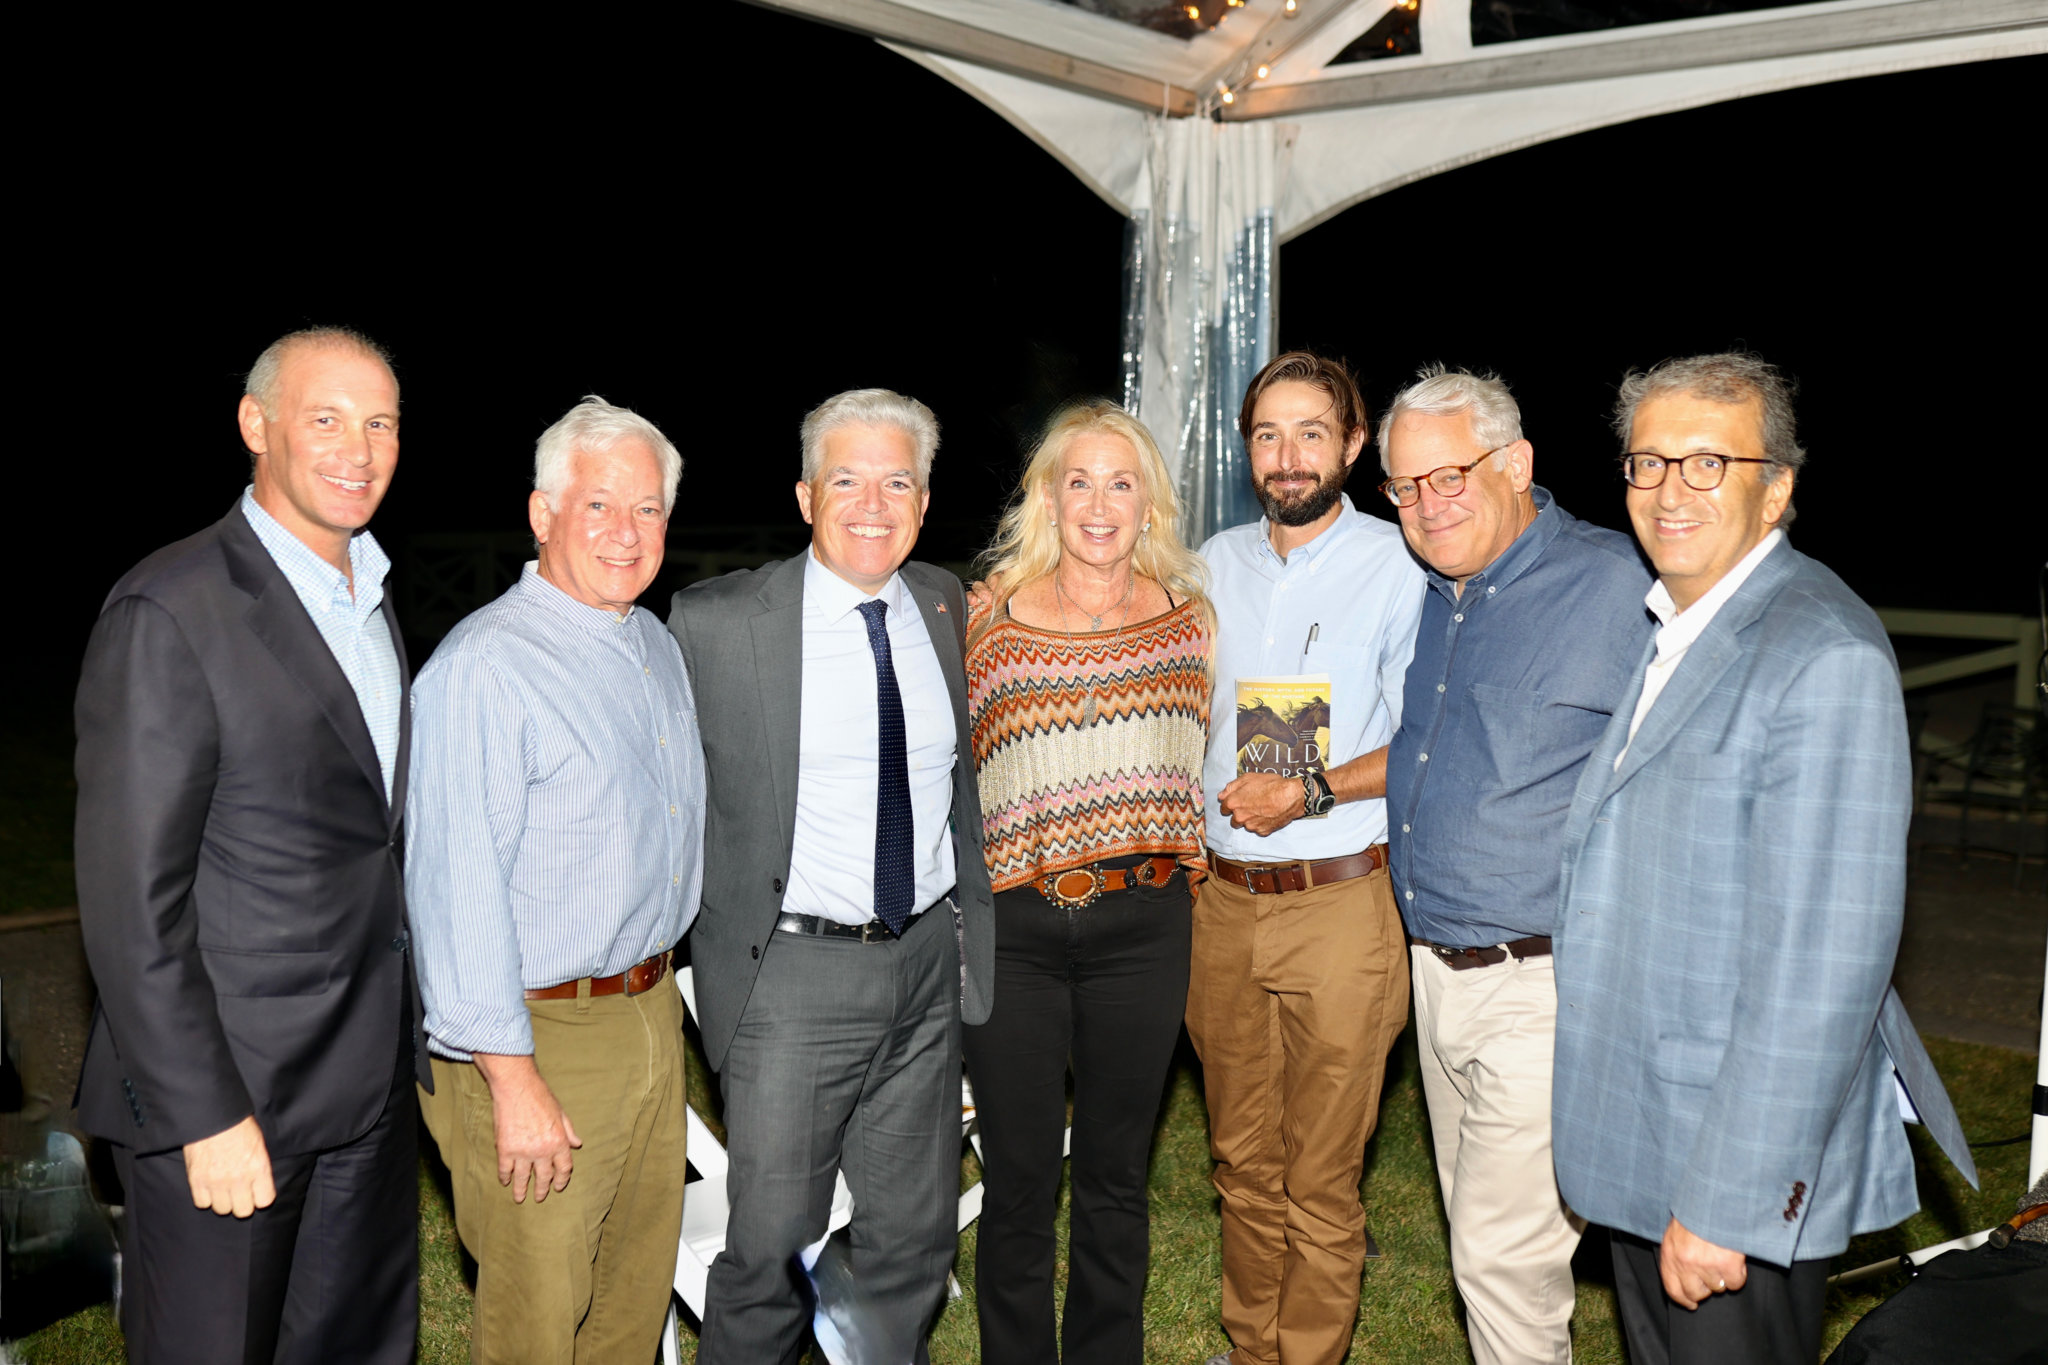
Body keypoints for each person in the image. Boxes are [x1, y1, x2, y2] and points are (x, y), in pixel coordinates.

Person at [1551, 353, 1978, 1364]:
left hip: (1721, 1170)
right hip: (1647, 1133)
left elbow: (1822, 970)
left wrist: (1728, 1204)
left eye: (1706, 464)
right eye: (1646, 463)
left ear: (1774, 487)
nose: (1667, 491)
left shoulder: (1818, 654)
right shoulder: (1680, 627)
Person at [73, 327, 422, 1363]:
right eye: (325, 418)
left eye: (380, 423)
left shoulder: (367, 597)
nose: (356, 448)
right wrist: (204, 1116)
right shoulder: (172, 609)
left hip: (363, 1088)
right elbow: (132, 905)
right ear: (255, 425)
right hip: (235, 1105)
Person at [667, 388, 995, 1363]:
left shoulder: (945, 604)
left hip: (925, 961)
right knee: (769, 1242)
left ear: (925, 501)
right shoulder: (718, 624)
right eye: (846, 478)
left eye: (897, 480)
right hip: (792, 974)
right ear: (806, 495)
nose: (872, 501)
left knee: (910, 1236)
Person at [405, 397, 704, 1363]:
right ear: (543, 514)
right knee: (539, 1317)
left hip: (650, 1009)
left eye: (649, 508)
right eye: (600, 505)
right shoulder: (485, 666)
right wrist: (510, 1077)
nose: (628, 532)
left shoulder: (652, 644)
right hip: (535, 1035)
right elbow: (455, 892)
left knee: (629, 1300)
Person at [1377, 365, 1651, 1365]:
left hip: (1545, 981)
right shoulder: (1433, 593)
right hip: (1436, 974)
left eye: (1447, 476)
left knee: (1500, 1259)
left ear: (1516, 463)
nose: (1426, 505)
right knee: (1483, 1247)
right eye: (1404, 487)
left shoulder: (1618, 583)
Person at [960, 401, 1212, 1364]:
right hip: (1017, 927)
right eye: (1079, 481)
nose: (1100, 503)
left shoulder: (1193, 623)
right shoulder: (987, 623)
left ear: (1147, 500)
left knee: (1116, 1175)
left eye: (1121, 482)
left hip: (1147, 922)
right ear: (1048, 498)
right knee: (1019, 1180)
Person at [1190, 351, 1425, 1365]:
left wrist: (1309, 789)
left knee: (1320, 1174)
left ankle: (1310, 1354)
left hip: (1339, 903)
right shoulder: (1210, 561)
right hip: (1222, 902)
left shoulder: (1401, 562)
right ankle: (1253, 1348)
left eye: (1310, 433)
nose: (1286, 458)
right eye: (1266, 435)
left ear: (1353, 444)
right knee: (1241, 1161)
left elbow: (1426, 738)